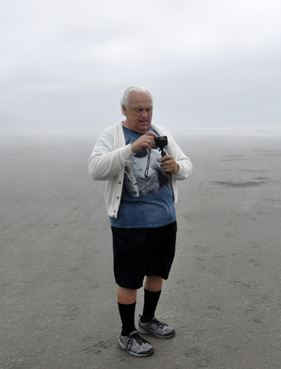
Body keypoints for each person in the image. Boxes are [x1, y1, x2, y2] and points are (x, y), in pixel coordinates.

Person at [88, 86, 192, 357]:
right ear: (124, 109)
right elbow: (95, 169)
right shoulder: (112, 135)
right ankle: (127, 333)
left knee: (157, 273)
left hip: (164, 220)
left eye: (148, 109)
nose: (145, 115)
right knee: (129, 281)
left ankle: (148, 320)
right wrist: (130, 148)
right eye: (138, 109)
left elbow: (186, 164)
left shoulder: (161, 133)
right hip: (129, 224)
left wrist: (177, 168)